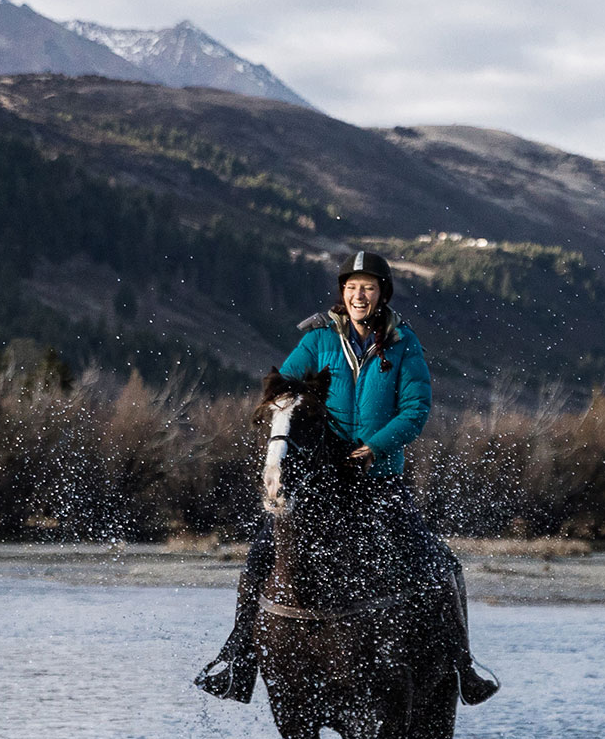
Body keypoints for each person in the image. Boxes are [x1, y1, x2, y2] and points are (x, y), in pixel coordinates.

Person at [194, 250, 499, 707]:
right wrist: (282, 417)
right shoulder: (316, 340)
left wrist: (375, 446)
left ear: (382, 294)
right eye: (352, 287)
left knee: (440, 564)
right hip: (320, 485)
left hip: (380, 480)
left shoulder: (404, 344)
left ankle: (463, 667)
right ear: (343, 292)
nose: (359, 294)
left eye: (369, 287)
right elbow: (284, 391)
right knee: (260, 556)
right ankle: (237, 662)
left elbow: (416, 411)